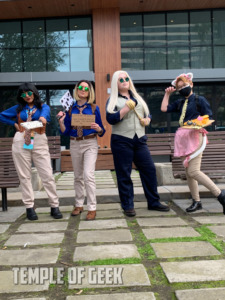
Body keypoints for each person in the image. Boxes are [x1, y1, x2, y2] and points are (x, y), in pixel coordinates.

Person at [106, 70, 170, 217]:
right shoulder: (112, 100)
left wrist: (147, 120)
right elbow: (111, 119)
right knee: (124, 174)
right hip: (121, 140)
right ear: (116, 82)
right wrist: (126, 109)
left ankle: (153, 201)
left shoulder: (138, 98)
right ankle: (128, 205)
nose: (124, 81)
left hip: (140, 139)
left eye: (126, 78)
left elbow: (148, 114)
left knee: (149, 170)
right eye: (120, 79)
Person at [161, 72, 225, 213]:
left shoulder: (199, 100)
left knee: (194, 171)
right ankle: (196, 201)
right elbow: (164, 109)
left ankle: (220, 195)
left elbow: (209, 117)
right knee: (189, 173)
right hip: (183, 139)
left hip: (195, 136)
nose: (182, 88)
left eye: (184, 85)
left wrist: (197, 123)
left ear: (191, 84)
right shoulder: (180, 102)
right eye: (179, 87)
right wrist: (167, 94)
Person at [0, 82, 63, 220]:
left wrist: (42, 118)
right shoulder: (18, 108)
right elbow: (2, 115)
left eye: (29, 93)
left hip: (39, 138)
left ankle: (54, 205)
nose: (27, 96)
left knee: (47, 174)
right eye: (24, 94)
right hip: (21, 140)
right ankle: (29, 207)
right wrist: (15, 124)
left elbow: (46, 115)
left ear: (34, 93)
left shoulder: (42, 106)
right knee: (24, 175)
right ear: (21, 96)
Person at [58, 80, 105, 221]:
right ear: (76, 90)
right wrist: (61, 121)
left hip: (90, 142)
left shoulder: (94, 107)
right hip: (74, 144)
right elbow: (65, 131)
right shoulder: (70, 108)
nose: (83, 89)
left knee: (88, 175)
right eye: (80, 87)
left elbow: (102, 130)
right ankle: (78, 204)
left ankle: (92, 207)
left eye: (86, 88)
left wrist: (98, 128)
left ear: (90, 91)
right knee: (77, 176)